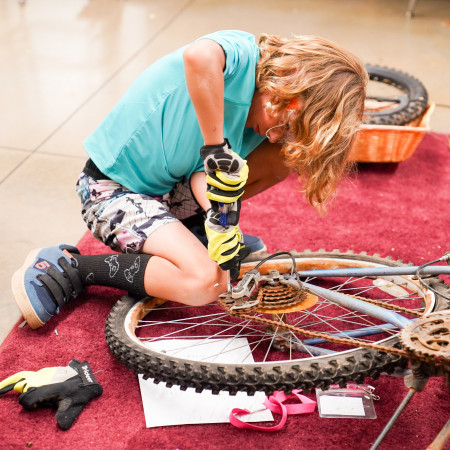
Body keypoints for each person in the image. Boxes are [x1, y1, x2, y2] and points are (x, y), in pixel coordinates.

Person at [11, 30, 368, 329]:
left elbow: (204, 175)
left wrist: (220, 220)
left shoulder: (265, 119)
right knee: (205, 283)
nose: (274, 136)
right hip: (111, 191)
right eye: (286, 124)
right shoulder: (243, 56)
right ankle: (73, 268)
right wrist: (216, 147)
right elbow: (199, 55)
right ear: (285, 87)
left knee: (280, 159)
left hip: (173, 188)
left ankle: (194, 228)